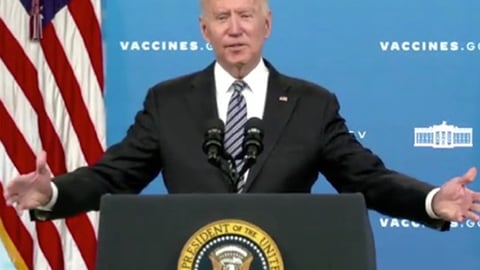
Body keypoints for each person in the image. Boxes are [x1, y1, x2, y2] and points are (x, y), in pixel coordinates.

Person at [4, 0, 479, 229]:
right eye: (222, 17)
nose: (235, 29)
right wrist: (53, 191)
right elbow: (115, 176)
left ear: (267, 24)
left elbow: (366, 179)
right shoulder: (167, 102)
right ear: (203, 30)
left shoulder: (312, 104)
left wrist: (431, 200)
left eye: (246, 15)